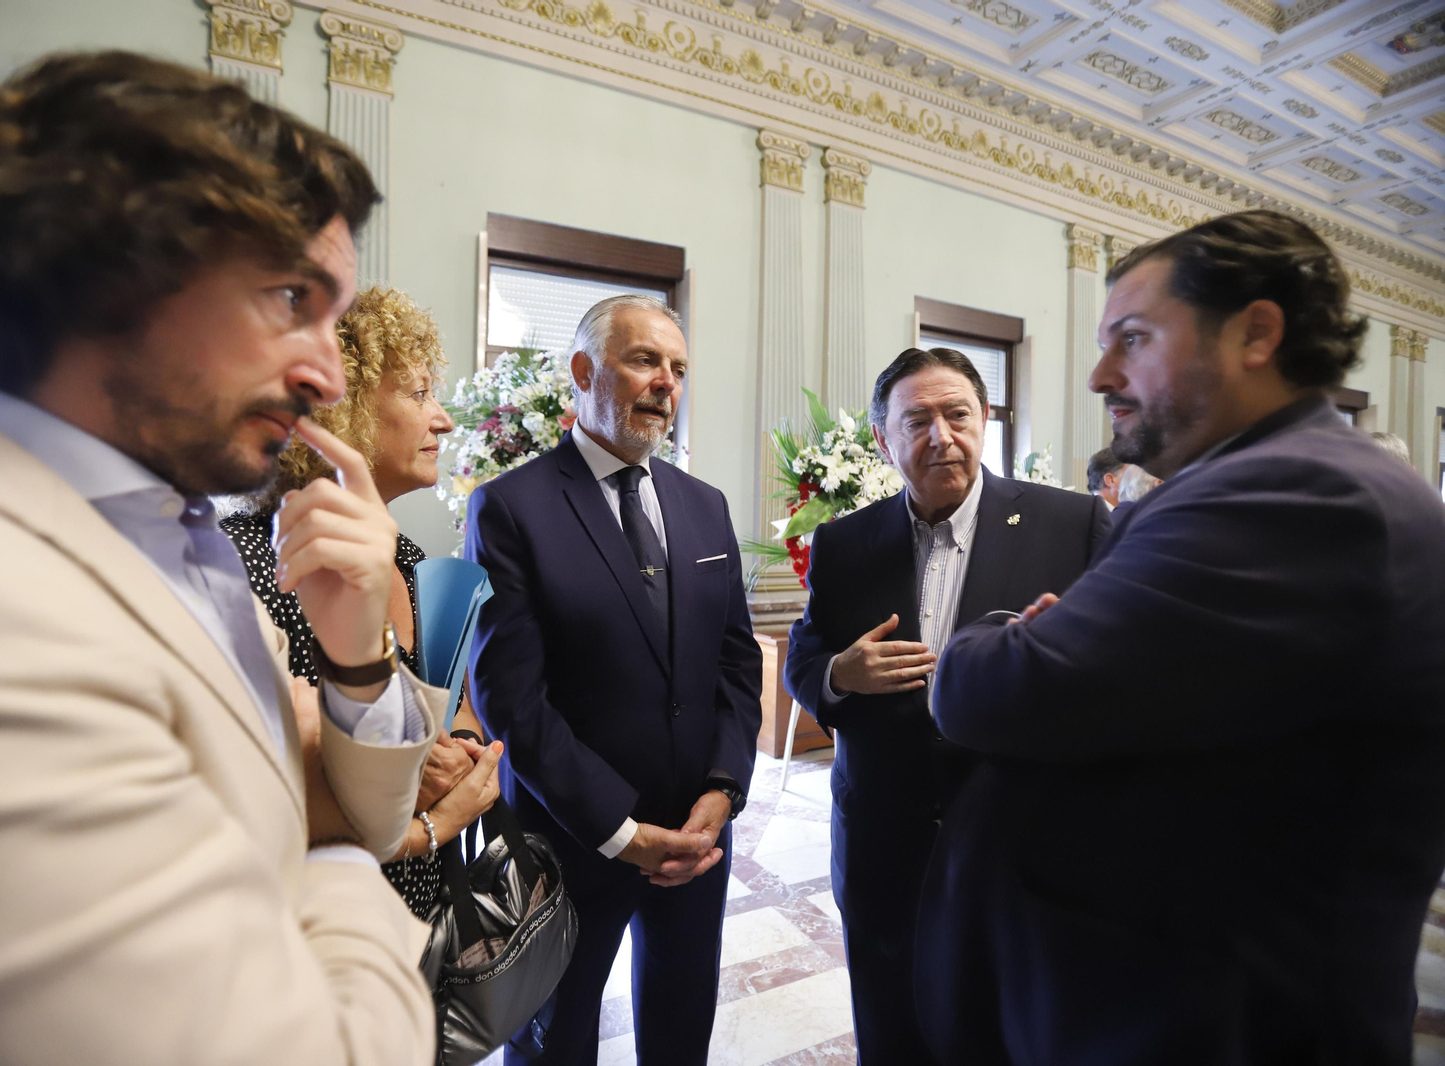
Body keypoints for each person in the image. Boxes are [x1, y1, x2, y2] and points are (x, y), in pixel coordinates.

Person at [0, 52, 500, 1066]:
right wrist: (333, 847)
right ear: (105, 267)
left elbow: (330, 795)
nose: (329, 372)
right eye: (292, 297)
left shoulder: (163, 523)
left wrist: (355, 668)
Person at [917, 210, 1445, 1065]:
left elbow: (996, 693)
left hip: (1221, 1023)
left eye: (1132, 338)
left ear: (1255, 333)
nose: (1099, 374)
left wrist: (991, 631)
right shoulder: (1247, 482)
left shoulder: (1299, 494)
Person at [784, 346, 1109, 1065]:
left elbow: (1122, 674)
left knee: (1002, 1039)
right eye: (918, 420)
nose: (942, 436)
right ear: (883, 438)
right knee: (891, 1034)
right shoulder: (844, 543)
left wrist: (1054, 658)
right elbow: (802, 661)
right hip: (882, 850)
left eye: (958, 414)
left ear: (985, 419)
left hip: (1016, 849)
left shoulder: (1073, 526)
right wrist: (840, 672)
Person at [464, 294, 763, 1065]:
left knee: (680, 1023)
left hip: (696, 839)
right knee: (554, 1039)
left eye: (678, 367)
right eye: (644, 360)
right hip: (570, 841)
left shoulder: (704, 507)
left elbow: (735, 660)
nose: (667, 381)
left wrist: (722, 792)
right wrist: (622, 833)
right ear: (582, 372)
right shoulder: (511, 507)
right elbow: (511, 698)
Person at [222, 285, 496, 921]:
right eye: (419, 392)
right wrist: (434, 821)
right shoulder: (251, 562)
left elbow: (452, 699)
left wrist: (457, 742)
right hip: (324, 924)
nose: (444, 419)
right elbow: (265, 803)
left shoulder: (400, 553)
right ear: (340, 409)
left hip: (419, 914)